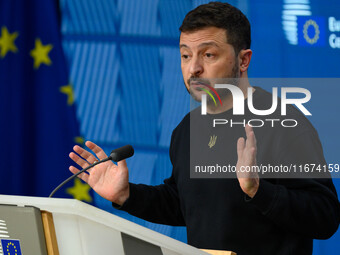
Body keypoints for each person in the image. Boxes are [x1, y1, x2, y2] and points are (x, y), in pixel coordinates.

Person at [68, 2, 340, 254]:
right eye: (185, 55)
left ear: (243, 60)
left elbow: (325, 216)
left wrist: (257, 190)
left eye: (208, 54)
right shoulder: (188, 128)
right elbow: (185, 205)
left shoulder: (283, 122)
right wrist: (127, 195)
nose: (193, 68)